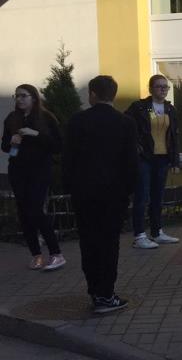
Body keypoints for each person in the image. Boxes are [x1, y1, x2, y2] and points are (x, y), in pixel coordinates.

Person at [64, 75, 138, 314]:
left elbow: (68, 159)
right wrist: (129, 191)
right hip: (113, 195)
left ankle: (95, 291)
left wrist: (71, 187)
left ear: (93, 94)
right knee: (109, 243)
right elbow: (131, 163)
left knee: (88, 242)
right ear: (113, 95)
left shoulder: (77, 121)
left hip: (84, 194)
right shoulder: (125, 123)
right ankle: (107, 294)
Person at [2, 84, 65, 271]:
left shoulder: (46, 118)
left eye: (24, 96)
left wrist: (35, 134)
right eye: (17, 96)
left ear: (34, 98)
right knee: (23, 212)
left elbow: (58, 145)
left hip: (40, 170)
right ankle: (36, 254)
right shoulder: (12, 118)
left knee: (35, 210)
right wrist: (11, 142)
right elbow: (5, 147)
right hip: (17, 170)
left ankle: (56, 253)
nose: (19, 99)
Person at [125, 74, 181, 249]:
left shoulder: (170, 109)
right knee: (142, 196)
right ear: (150, 89)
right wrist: (136, 147)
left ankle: (157, 232)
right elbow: (126, 127)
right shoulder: (140, 107)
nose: (163, 89)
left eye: (166, 87)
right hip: (145, 158)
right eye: (159, 86)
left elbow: (174, 136)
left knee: (158, 196)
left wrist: (175, 161)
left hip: (163, 158)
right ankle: (139, 235)